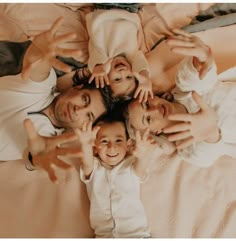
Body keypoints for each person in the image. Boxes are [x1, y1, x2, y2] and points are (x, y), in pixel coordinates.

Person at [0, 17, 113, 182]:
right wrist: (39, 53)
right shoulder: (46, 84)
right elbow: (39, 69)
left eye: (88, 116)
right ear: (76, 89)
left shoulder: (52, 142)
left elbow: (32, 157)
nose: (78, 110)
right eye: (85, 100)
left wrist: (35, 159)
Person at [125, 29, 236, 167]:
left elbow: (196, 75)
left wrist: (201, 58)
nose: (155, 110)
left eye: (147, 104)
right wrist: (210, 132)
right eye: (148, 119)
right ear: (156, 132)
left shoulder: (185, 90)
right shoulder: (185, 145)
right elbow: (204, 157)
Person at [75, 113, 165, 238]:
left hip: (136, 234)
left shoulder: (130, 167)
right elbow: (86, 163)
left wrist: (144, 153)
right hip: (104, 235)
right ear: (95, 147)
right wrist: (85, 144)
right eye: (104, 141)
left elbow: (141, 168)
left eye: (118, 140)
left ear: (128, 145)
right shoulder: (94, 169)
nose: (112, 147)